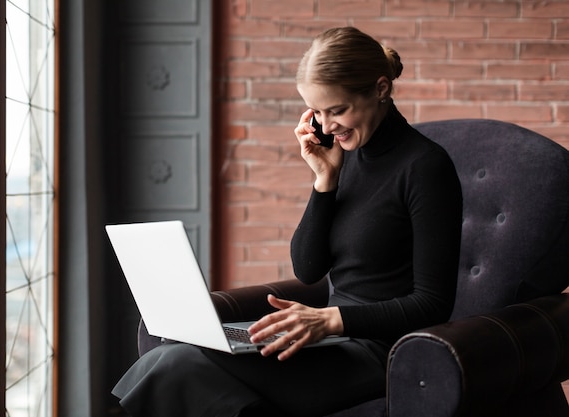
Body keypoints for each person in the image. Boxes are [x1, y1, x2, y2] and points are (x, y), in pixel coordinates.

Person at [112, 26, 463, 417]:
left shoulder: (425, 168)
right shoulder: (346, 158)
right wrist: (324, 180)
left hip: (377, 353)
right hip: (325, 339)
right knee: (179, 357)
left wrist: (330, 319)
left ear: (380, 89)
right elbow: (309, 268)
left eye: (338, 109)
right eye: (318, 112)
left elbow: (433, 304)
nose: (327, 127)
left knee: (180, 363)